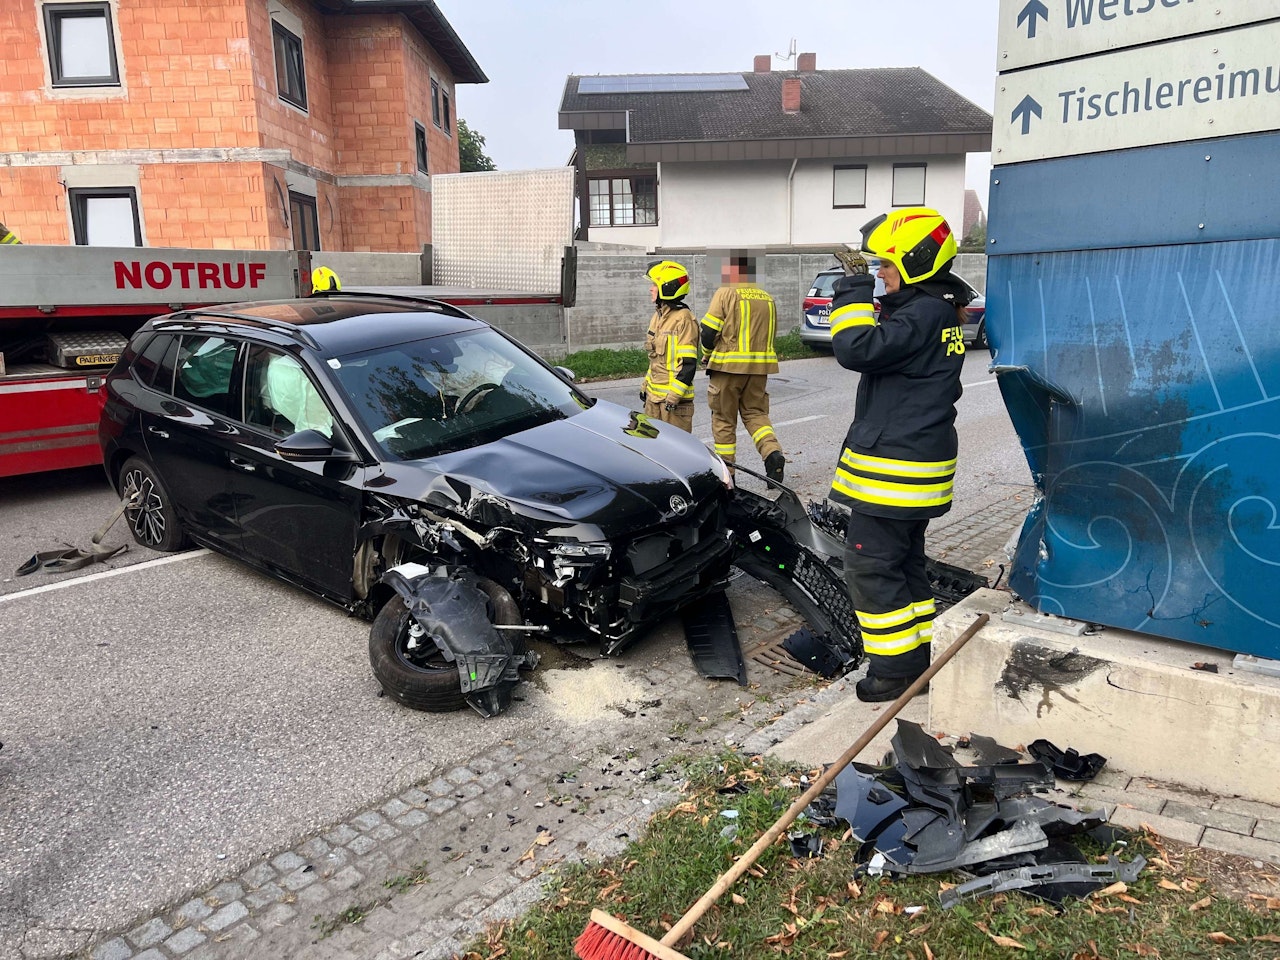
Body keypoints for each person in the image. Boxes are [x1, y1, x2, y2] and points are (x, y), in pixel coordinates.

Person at [826, 208, 973, 702]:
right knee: (905, 564)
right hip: (916, 466)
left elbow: (856, 350)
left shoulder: (924, 313)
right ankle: (918, 658)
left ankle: (892, 673)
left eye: (885, 266)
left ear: (916, 262)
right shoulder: (934, 309)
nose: (878, 275)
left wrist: (848, 295)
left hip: (897, 470)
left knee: (869, 566)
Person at [699, 253, 784, 482]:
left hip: (728, 368)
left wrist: (707, 354)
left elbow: (708, 331)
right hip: (759, 370)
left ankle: (728, 473)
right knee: (756, 414)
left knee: (724, 419)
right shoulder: (767, 297)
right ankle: (772, 453)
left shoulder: (726, 292)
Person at [640, 260, 698, 432]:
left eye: (654, 285)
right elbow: (656, 360)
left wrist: (673, 397)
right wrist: (645, 385)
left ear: (668, 287)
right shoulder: (657, 317)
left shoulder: (684, 319)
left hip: (673, 405)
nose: (651, 289)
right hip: (653, 400)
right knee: (650, 451)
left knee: (676, 455)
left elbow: (688, 365)